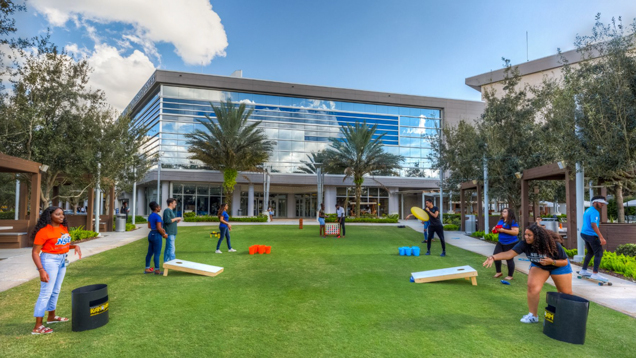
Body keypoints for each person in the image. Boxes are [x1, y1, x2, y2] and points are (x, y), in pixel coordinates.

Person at [483, 223, 572, 323]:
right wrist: (493, 257)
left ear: (537, 236)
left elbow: (564, 261)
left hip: (558, 265)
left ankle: (567, 318)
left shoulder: (553, 244)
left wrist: (552, 262)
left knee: (565, 294)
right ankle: (533, 316)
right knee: (532, 286)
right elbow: (509, 254)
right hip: (539, 266)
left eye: (529, 235)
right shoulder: (524, 244)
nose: (526, 237)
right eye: (525, 234)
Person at [31, 206, 82, 335]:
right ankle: (37, 326)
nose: (62, 216)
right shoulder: (43, 231)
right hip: (49, 261)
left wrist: (74, 246)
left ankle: (51, 317)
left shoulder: (63, 228)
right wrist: (41, 270)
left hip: (62, 261)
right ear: (50, 215)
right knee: (46, 292)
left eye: (62, 214)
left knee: (56, 290)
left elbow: (60, 245)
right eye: (58, 214)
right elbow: (35, 252)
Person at [579, 196, 609, 281]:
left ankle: (583, 270)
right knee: (599, 253)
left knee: (591, 252)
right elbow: (593, 224)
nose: (602, 205)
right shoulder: (595, 212)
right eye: (601, 203)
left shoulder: (588, 210)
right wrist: (601, 237)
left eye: (603, 203)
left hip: (584, 233)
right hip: (591, 235)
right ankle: (595, 274)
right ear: (595, 202)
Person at [491, 208, 520, 280]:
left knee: (509, 258)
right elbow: (498, 229)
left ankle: (510, 276)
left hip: (510, 242)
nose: (502, 213)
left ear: (509, 213)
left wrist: (503, 230)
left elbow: (516, 232)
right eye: (502, 211)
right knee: (496, 256)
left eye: (505, 211)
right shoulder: (500, 221)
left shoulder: (513, 222)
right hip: (501, 242)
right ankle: (498, 272)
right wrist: (494, 229)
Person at [145, 201, 167, 275]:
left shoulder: (150, 216)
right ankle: (157, 270)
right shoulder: (157, 216)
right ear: (156, 208)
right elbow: (159, 228)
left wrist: (160, 228)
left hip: (151, 234)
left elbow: (149, 226)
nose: (160, 208)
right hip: (157, 235)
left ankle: (147, 268)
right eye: (159, 207)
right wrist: (164, 234)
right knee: (157, 253)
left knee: (150, 253)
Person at [163, 198, 182, 263]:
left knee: (168, 248)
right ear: (170, 204)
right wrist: (177, 218)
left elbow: (170, 221)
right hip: (169, 232)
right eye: (175, 203)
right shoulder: (167, 210)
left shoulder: (170, 211)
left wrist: (176, 221)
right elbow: (167, 221)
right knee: (171, 248)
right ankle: (172, 262)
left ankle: (166, 261)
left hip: (172, 232)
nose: (176, 204)